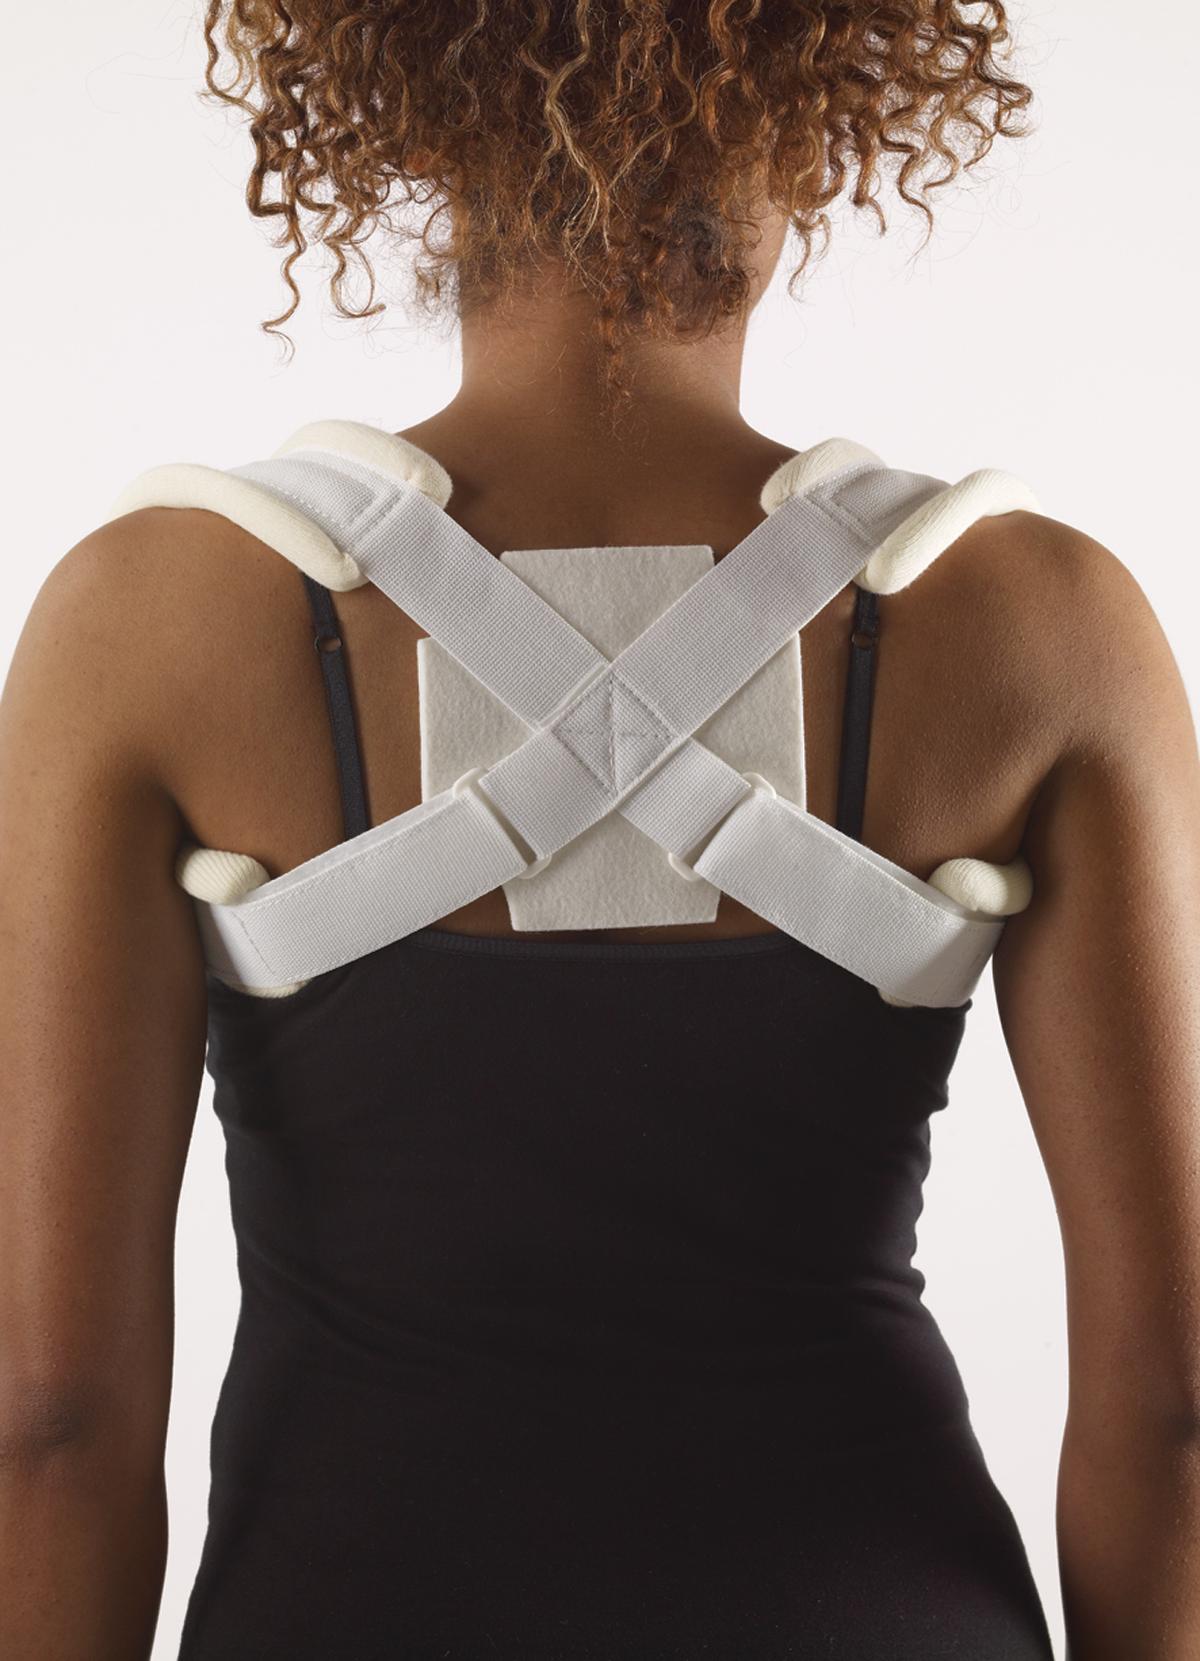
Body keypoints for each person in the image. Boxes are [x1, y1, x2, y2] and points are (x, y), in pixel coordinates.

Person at [1, 3, 1198, 1658]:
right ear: (820, 121)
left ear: (411, 126)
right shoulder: (1039, 623)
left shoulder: (151, 620)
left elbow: (51, 1423)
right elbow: (1178, 1405)